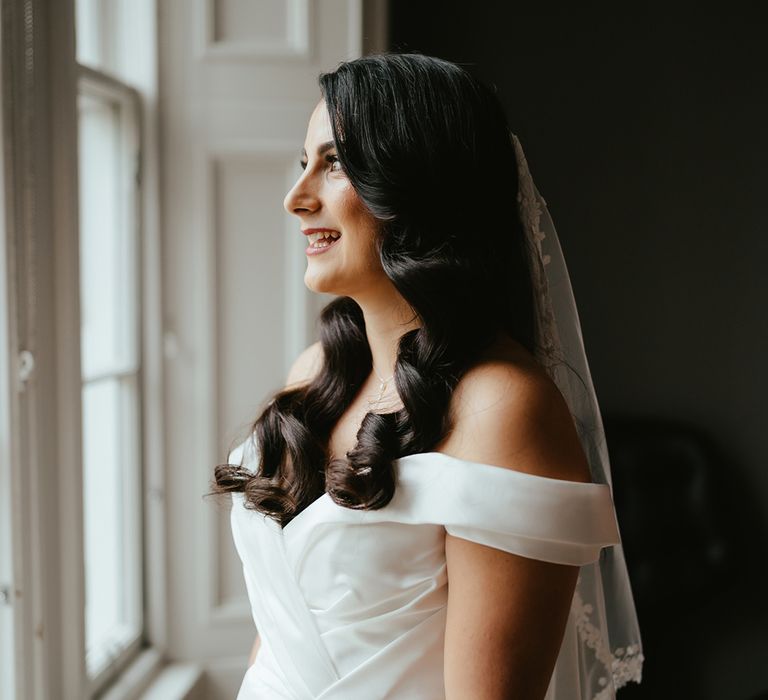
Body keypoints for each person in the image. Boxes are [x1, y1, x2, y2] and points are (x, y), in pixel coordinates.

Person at [211, 52, 643, 699]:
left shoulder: (503, 408)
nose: (296, 199)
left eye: (334, 163)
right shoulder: (319, 372)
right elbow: (284, 628)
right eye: (305, 164)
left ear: (415, 180)